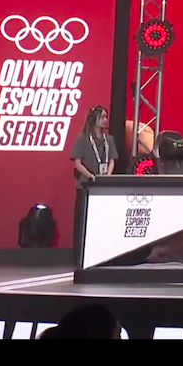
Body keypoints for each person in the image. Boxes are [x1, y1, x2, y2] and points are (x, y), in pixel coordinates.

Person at [69, 105, 118, 265]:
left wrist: (107, 176)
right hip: (86, 185)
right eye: (102, 117)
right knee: (82, 222)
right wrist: (91, 176)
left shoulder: (108, 140)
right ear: (93, 119)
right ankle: (79, 256)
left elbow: (112, 160)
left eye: (106, 117)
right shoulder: (82, 138)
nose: (105, 120)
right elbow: (77, 163)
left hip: (103, 186)